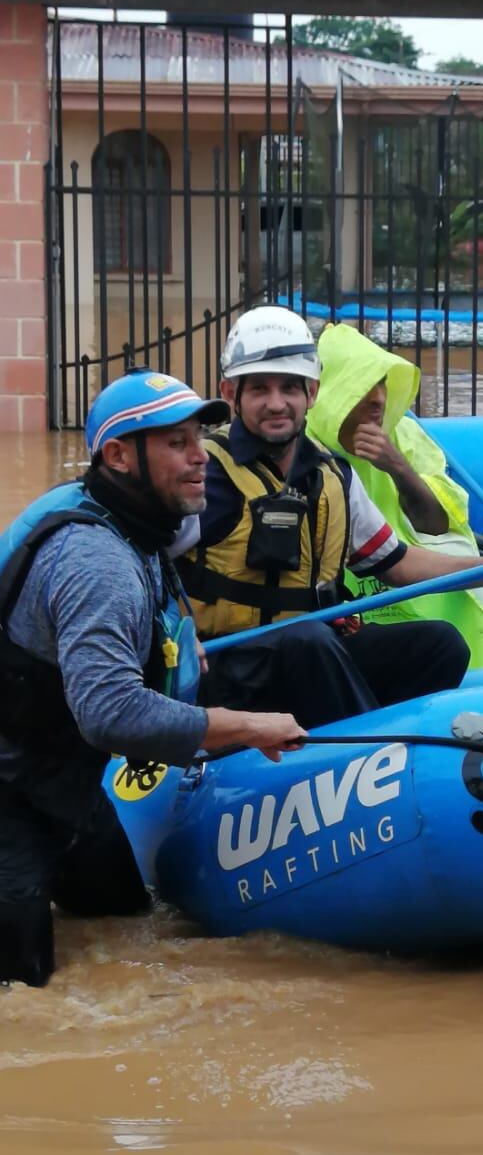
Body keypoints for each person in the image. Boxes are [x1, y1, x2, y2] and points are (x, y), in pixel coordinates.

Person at [0, 370, 307, 988]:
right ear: (118, 455)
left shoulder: (130, 526)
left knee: (126, 919)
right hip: (10, 795)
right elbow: (112, 713)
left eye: (199, 438)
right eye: (176, 443)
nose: (201, 457)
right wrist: (245, 725)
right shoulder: (96, 560)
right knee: (24, 989)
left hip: (58, 781)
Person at [176, 306, 483, 728]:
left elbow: (397, 563)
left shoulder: (333, 476)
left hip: (316, 651)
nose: (277, 404)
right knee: (306, 641)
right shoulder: (205, 474)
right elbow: (147, 564)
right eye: (260, 389)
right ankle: (374, 753)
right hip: (230, 667)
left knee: (442, 644)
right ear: (230, 392)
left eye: (290, 388)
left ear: (311, 393)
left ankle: (381, 745)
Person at [305, 322, 483, 669]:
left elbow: (437, 526)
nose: (379, 399)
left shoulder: (404, 435)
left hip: (411, 572)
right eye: (365, 386)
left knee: (448, 640)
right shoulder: (305, 452)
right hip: (351, 600)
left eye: (382, 385)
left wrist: (397, 467)